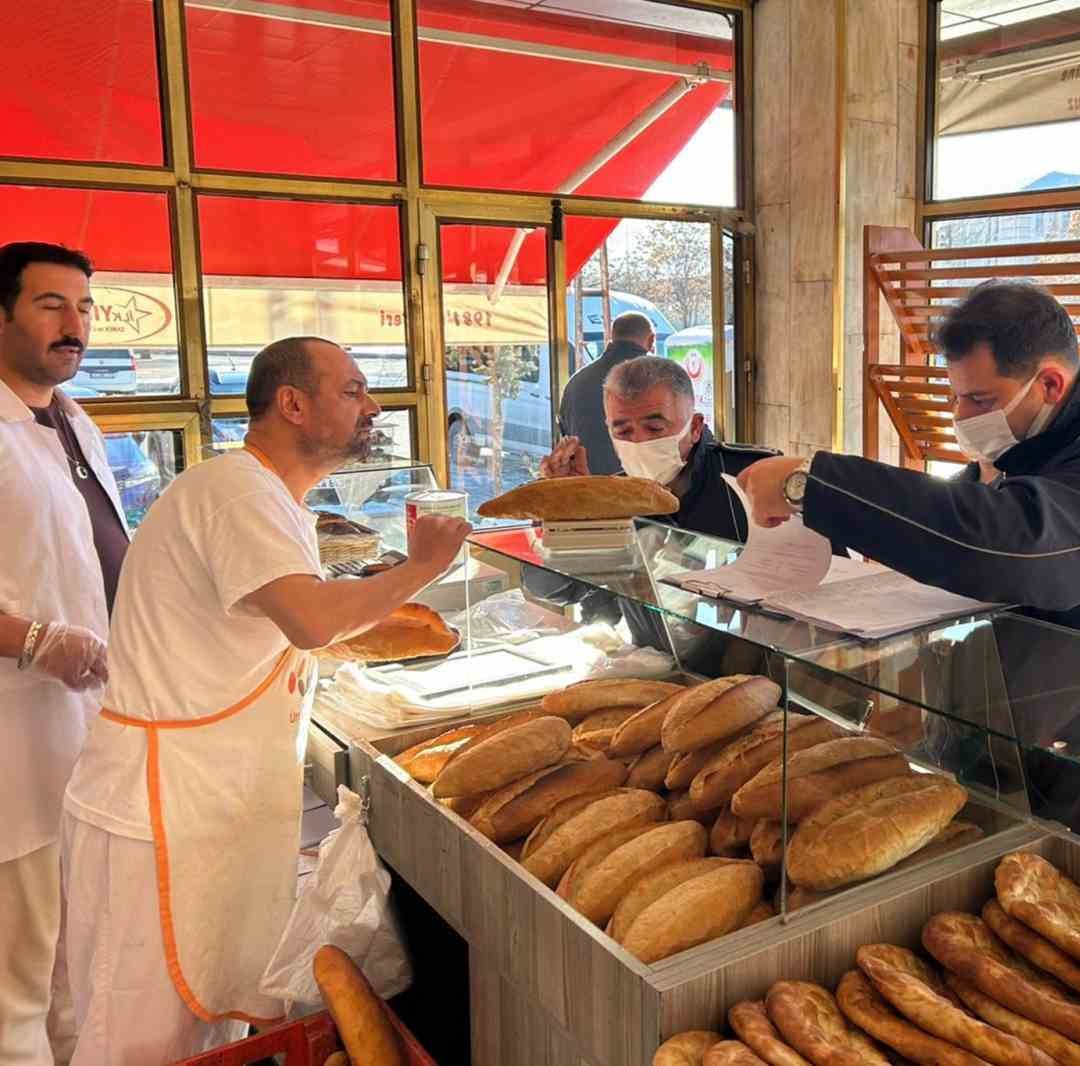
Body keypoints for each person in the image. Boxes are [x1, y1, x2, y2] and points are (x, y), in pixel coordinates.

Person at [59, 337, 471, 1063]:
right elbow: (310, 619)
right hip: (161, 806)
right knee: (140, 1038)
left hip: (202, 799)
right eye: (352, 391)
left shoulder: (269, 497)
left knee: (203, 1027)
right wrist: (424, 566)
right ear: (292, 402)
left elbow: (285, 627)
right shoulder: (236, 490)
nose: (373, 406)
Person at [738, 280, 1080, 873]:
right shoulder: (1028, 449)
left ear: (1051, 384)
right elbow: (957, 528)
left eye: (980, 401)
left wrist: (813, 485)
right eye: (957, 397)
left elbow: (1010, 546)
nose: (961, 417)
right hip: (1007, 746)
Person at [0, 242, 129, 1066]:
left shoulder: (71, 419)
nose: (73, 325)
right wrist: (33, 640)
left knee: (79, 972)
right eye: (51, 305)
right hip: (16, 746)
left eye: (83, 307)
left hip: (87, 732)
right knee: (17, 984)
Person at [540, 355, 775, 542]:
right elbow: (554, 590)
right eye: (622, 432)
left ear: (694, 427)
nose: (638, 442)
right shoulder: (612, 499)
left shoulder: (748, 475)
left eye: (654, 428)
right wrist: (572, 502)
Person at [557, 311, 656, 476]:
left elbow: (566, 439)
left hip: (586, 490)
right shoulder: (659, 380)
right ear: (651, 340)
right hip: (641, 492)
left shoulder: (576, 382)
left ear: (611, 336)